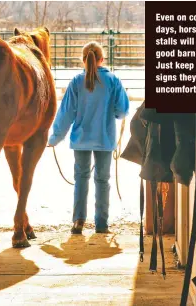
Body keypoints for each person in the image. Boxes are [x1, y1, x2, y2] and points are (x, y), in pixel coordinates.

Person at [48, 41, 129, 234]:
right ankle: (101, 224)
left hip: (81, 140)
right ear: (102, 59)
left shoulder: (76, 81)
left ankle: (78, 221)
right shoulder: (113, 80)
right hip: (104, 139)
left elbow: (66, 113)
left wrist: (54, 138)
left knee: (81, 179)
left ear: (83, 60)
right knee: (102, 180)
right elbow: (122, 111)